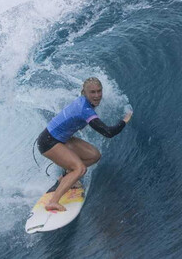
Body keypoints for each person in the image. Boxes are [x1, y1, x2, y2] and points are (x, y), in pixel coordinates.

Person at [36, 77, 133, 211]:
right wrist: (125, 120)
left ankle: (66, 177)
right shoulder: (84, 109)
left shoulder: (85, 102)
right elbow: (108, 133)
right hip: (48, 141)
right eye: (92, 92)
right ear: (84, 93)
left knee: (94, 155)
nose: (97, 95)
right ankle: (53, 201)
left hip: (61, 138)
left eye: (99, 91)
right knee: (80, 169)